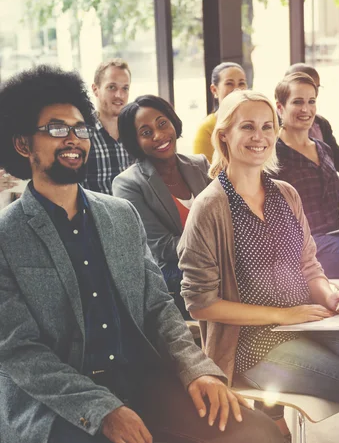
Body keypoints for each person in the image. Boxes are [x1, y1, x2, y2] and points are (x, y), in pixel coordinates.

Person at [0, 65, 282, 443]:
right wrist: (103, 409)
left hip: (140, 378)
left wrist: (197, 369)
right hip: (59, 402)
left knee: (257, 433)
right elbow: (21, 352)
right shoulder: (7, 235)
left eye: (80, 128)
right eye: (56, 129)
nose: (73, 138)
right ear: (22, 144)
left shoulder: (119, 215)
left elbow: (158, 307)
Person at [178, 89, 339, 443]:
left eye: (268, 127)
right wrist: (282, 316)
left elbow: (309, 268)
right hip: (253, 346)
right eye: (248, 127)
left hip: (311, 323)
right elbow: (200, 304)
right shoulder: (210, 208)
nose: (260, 137)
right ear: (224, 135)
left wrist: (332, 297)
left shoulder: (286, 193)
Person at [113, 95, 211, 319]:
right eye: (146, 133)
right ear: (135, 141)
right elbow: (162, 247)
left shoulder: (199, 164)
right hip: (172, 273)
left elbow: (228, 218)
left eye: (162, 123)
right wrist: (217, 244)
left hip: (212, 264)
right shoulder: (128, 184)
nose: (159, 135)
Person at [272, 73, 339, 278]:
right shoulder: (272, 155)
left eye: (311, 101)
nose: (306, 109)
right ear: (280, 108)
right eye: (297, 102)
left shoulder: (323, 148)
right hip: (304, 246)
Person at [284, 63, 339, 175]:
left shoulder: (321, 125)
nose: (309, 91)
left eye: (314, 88)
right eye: (297, 101)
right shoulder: (271, 129)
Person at [83, 58, 134, 195]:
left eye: (125, 88)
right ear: (95, 89)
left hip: (136, 215)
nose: (119, 95)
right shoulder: (82, 136)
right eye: (112, 87)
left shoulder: (135, 133)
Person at [193, 62, 247, 161]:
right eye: (229, 83)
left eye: (241, 83)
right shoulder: (207, 128)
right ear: (214, 90)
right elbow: (203, 172)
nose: (237, 89)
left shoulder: (256, 122)